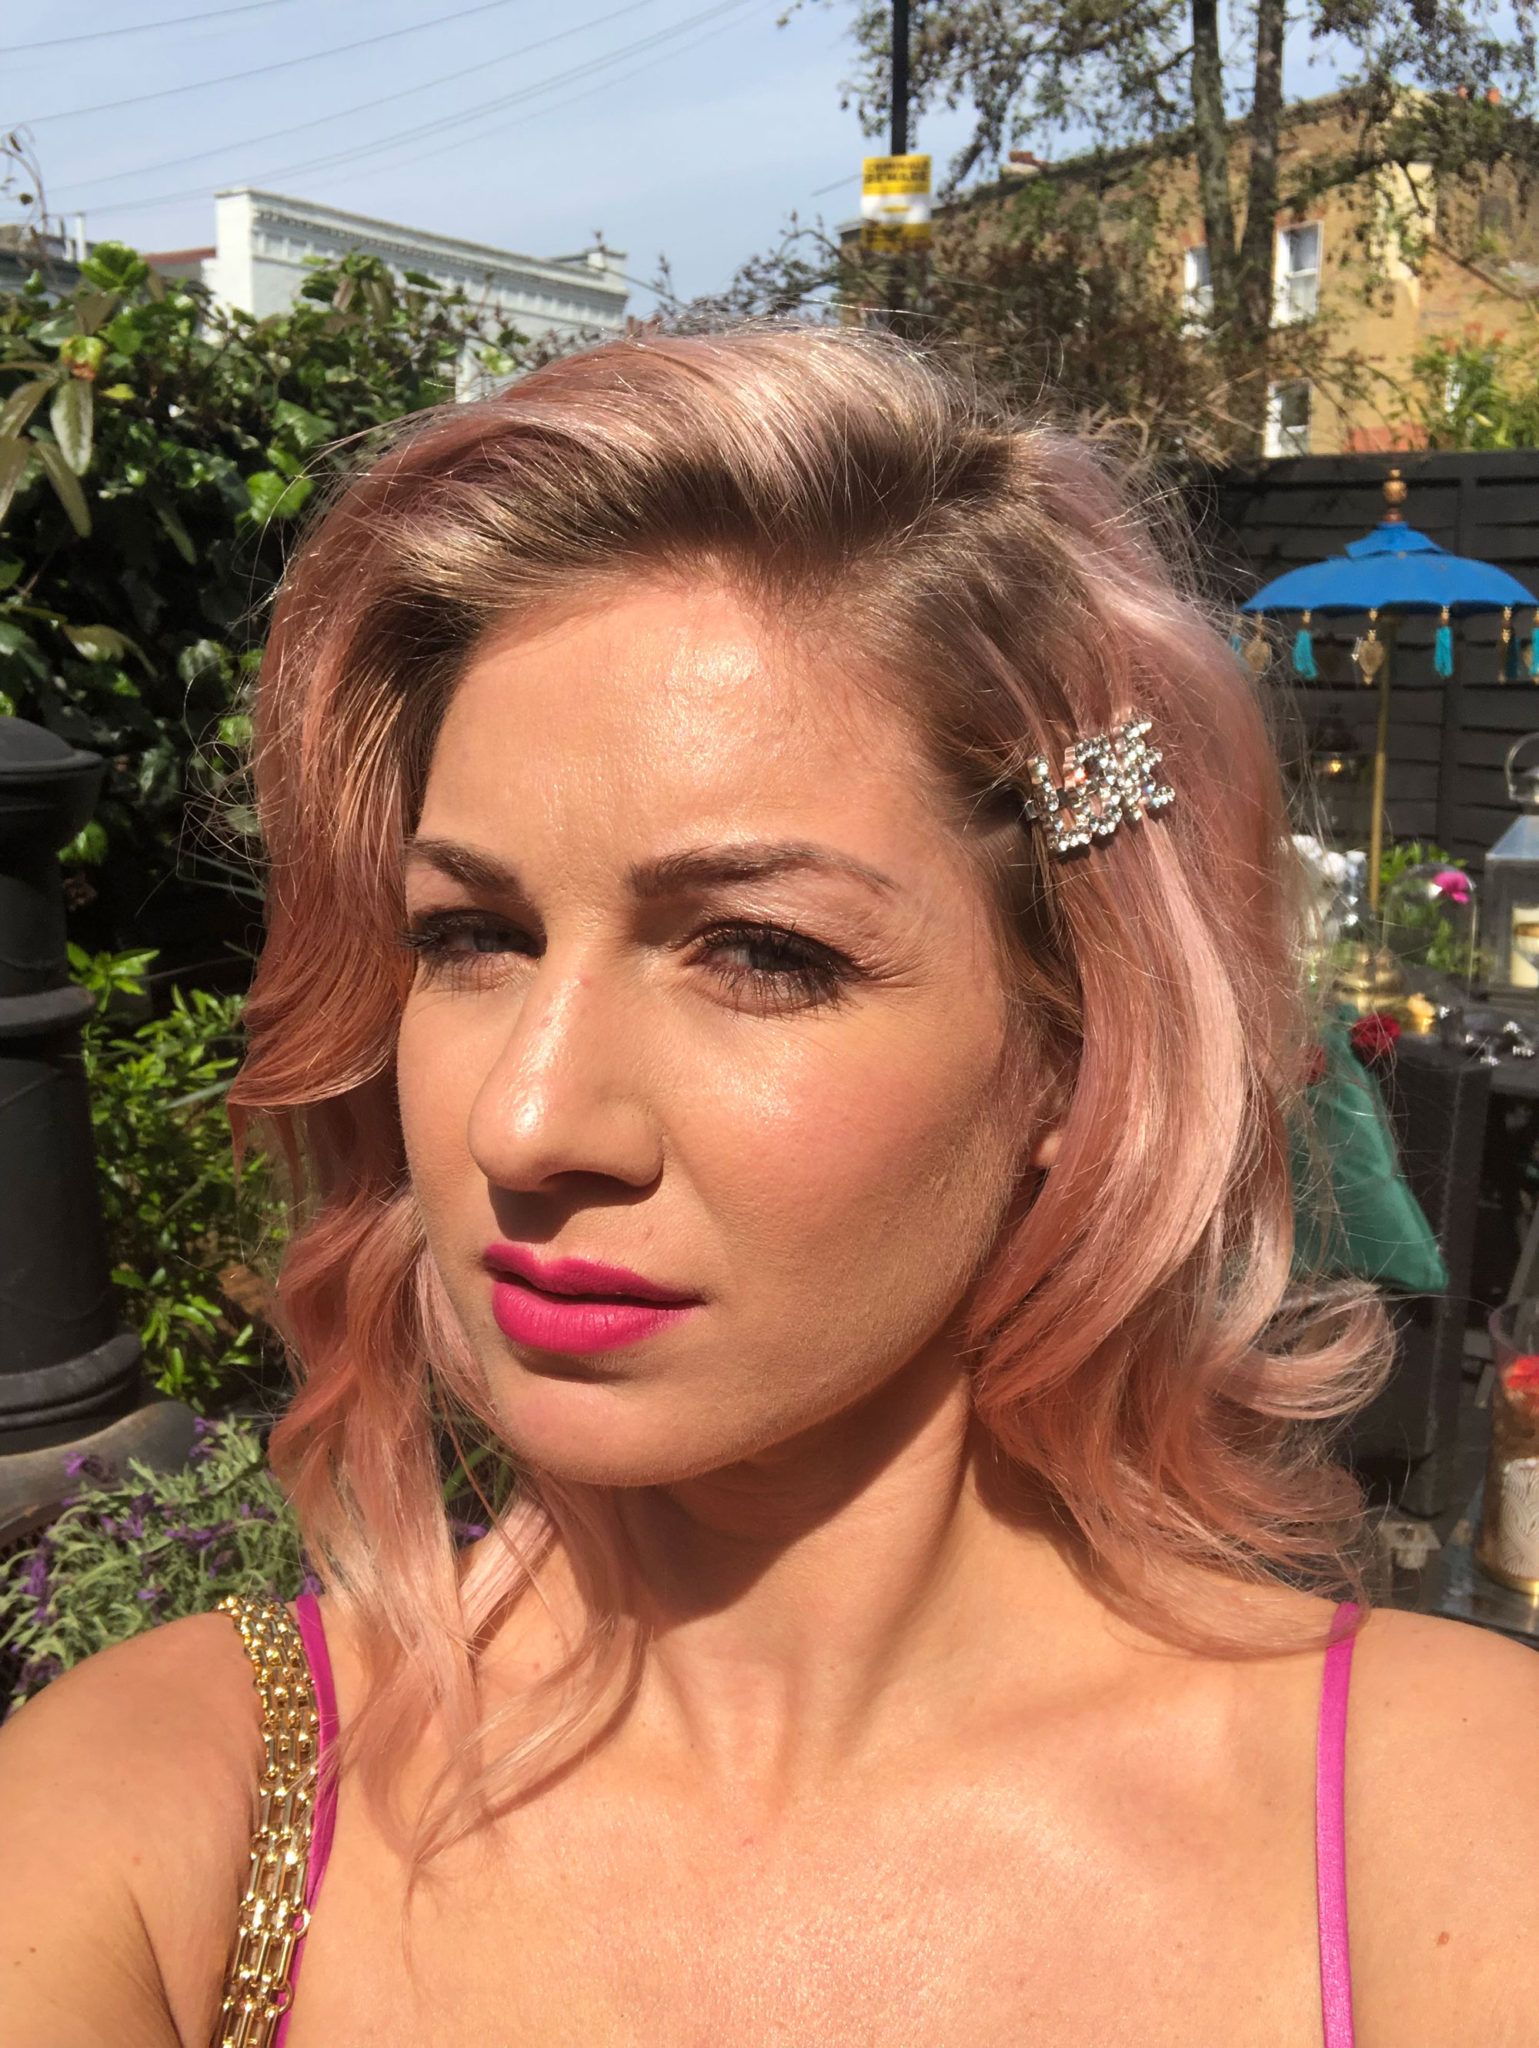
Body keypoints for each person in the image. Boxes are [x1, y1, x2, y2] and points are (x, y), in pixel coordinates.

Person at [2, 327, 1535, 2048]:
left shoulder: (1449, 1835)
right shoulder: (166, 1824)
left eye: (759, 951)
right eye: (472, 936)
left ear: (1078, 1043)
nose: (526, 1120)